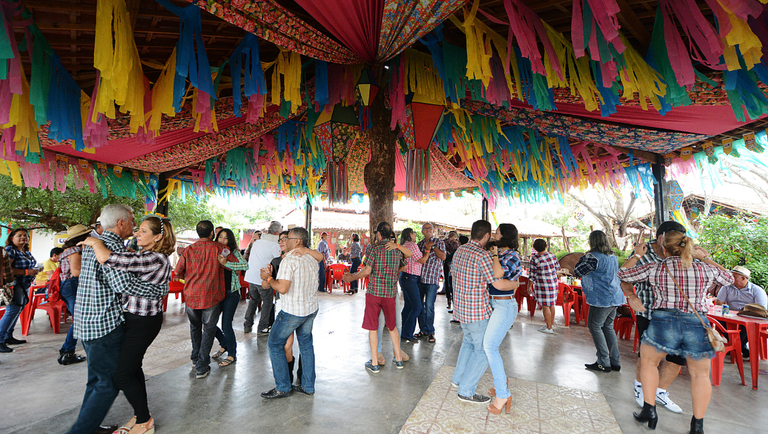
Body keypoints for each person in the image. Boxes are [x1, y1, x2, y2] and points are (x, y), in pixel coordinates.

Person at [618, 231, 733, 434]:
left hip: (663, 321)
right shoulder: (705, 269)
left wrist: (636, 255)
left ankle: (649, 410)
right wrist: (705, 257)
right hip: (696, 323)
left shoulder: (656, 267)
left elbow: (622, 274)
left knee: (649, 363)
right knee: (700, 375)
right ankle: (697, 426)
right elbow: (730, 278)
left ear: (664, 248)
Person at [79, 214, 176, 434]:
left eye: (143, 231)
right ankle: (140, 414)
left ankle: (144, 420)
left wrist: (95, 241)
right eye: (138, 229)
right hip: (134, 320)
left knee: (122, 374)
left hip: (144, 323)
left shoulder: (155, 258)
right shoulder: (145, 254)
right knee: (133, 369)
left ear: (158, 236)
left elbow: (108, 259)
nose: (136, 233)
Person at [66, 204, 136, 434]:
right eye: (133, 221)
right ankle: (80, 431)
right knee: (108, 383)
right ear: (121, 223)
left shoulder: (94, 241)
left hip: (88, 320)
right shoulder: (113, 246)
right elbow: (122, 285)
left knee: (96, 380)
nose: (135, 226)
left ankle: (90, 425)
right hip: (104, 324)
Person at [620, 221, 688, 413]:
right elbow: (624, 277)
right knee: (649, 356)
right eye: (675, 239)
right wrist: (631, 296)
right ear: (661, 238)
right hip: (649, 311)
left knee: (677, 358)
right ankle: (641, 387)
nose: (679, 244)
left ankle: (660, 391)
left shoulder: (683, 251)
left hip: (679, 315)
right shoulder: (643, 253)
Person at [259, 227, 321, 398]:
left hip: (293, 311)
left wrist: (269, 278)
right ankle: (308, 386)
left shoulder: (290, 260)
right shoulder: (311, 258)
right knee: (306, 346)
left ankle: (283, 387)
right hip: (310, 309)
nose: (284, 242)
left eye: (288, 239)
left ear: (298, 241)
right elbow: (320, 257)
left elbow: (282, 288)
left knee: (274, 344)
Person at [343, 222, 411, 373]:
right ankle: (398, 359)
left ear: (379, 234)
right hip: (390, 294)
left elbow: (367, 270)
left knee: (373, 327)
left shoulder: (374, 248)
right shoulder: (396, 250)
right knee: (392, 326)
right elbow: (406, 262)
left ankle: (374, 363)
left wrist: (352, 277)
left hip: (374, 293)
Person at [451, 220, 504, 404]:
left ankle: (458, 380)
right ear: (487, 236)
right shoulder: (482, 256)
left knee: (468, 343)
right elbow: (495, 280)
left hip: (461, 309)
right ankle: (466, 391)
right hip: (476, 311)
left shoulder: (460, 250)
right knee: (482, 351)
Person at [174, 220, 228, 379]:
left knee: (195, 327)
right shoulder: (220, 249)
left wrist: (190, 277)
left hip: (191, 295)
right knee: (209, 330)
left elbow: (177, 272)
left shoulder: (188, 250)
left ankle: (195, 358)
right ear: (212, 233)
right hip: (211, 295)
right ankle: (202, 367)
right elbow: (233, 264)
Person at [572, 230, 625, 373]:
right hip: (615, 296)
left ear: (592, 241)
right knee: (607, 327)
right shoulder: (612, 256)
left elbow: (577, 271)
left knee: (594, 326)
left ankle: (603, 361)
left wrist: (583, 257)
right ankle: (615, 361)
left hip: (601, 298)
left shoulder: (592, 258)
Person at [485, 224, 522, 415]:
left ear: (505, 236)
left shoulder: (511, 256)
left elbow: (499, 280)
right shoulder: (500, 253)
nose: (494, 235)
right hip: (495, 304)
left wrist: (494, 256)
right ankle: (501, 384)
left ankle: (503, 394)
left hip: (504, 305)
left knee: (489, 347)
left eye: (498, 232)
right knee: (491, 347)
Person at [212, 228, 249, 368]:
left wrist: (226, 263)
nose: (222, 240)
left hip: (231, 293)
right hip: (216, 292)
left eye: (225, 238)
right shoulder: (214, 251)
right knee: (209, 323)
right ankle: (224, 344)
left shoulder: (233, 252)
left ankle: (232, 354)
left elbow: (245, 265)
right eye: (220, 237)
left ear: (230, 240)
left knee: (226, 324)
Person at [715, 265, 767, 359]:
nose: (731, 278)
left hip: (749, 317)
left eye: (734, 277)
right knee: (719, 322)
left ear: (743, 278)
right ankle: (740, 347)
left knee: (748, 326)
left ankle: (735, 347)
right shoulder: (726, 287)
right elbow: (719, 303)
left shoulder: (757, 291)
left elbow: (761, 310)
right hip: (730, 317)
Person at [57, 224, 91, 365]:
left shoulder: (69, 250)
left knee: (79, 318)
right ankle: (67, 351)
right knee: (79, 319)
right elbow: (76, 271)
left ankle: (67, 350)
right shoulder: (75, 250)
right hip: (72, 284)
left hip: (67, 286)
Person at [0, 228, 38, 353]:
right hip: (15, 284)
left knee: (18, 309)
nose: (23, 238)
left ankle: (8, 336)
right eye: (20, 235)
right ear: (12, 238)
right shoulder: (10, 250)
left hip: (25, 284)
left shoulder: (25, 251)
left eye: (25, 236)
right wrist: (26, 272)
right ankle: (0, 340)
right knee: (12, 310)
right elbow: (7, 269)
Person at [243, 221, 282, 334]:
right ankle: (262, 327)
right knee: (267, 302)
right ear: (276, 232)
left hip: (251, 276)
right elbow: (279, 259)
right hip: (262, 278)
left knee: (253, 300)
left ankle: (247, 324)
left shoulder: (258, 242)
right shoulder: (274, 245)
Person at [416, 223, 446, 343]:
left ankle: (430, 331)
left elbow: (443, 257)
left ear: (433, 231)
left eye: (430, 228)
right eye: (425, 229)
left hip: (432, 280)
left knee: (429, 306)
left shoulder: (439, 242)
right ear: (422, 231)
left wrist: (432, 247)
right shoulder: (419, 244)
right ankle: (423, 330)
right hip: (420, 279)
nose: (428, 230)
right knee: (419, 306)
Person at [528, 238, 561, 334]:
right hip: (553, 283)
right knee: (551, 305)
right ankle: (550, 324)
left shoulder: (535, 259)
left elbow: (532, 275)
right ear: (546, 246)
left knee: (545, 306)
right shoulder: (552, 255)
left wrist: (529, 287)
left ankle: (549, 327)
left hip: (542, 284)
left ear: (535, 248)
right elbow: (557, 268)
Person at [399, 228, 424, 342]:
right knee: (417, 306)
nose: (415, 235)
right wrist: (428, 250)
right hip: (411, 277)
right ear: (410, 234)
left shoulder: (403, 244)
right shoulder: (412, 245)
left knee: (409, 306)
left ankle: (403, 331)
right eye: (414, 233)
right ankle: (408, 333)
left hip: (405, 277)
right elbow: (421, 260)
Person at [443, 231, 459, 312]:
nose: (452, 237)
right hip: (447, 265)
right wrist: (449, 239)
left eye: (453, 236)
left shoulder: (457, 245)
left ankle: (454, 304)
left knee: (453, 284)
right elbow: (443, 245)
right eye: (450, 235)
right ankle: (448, 301)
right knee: (447, 283)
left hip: (453, 266)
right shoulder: (446, 242)